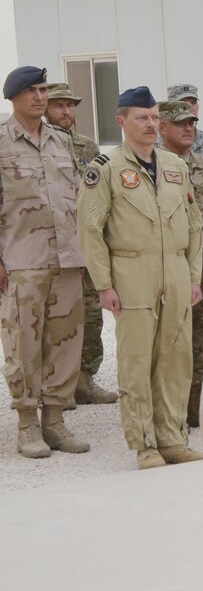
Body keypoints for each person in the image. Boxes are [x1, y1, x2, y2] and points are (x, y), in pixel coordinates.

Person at [77, 87, 202, 468]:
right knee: (136, 361)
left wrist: (193, 276)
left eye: (153, 117)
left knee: (176, 359)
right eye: (142, 118)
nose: (150, 124)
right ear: (122, 122)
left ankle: (173, 439)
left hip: (176, 271)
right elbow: (89, 229)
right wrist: (103, 284)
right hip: (131, 271)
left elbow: (194, 225)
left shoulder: (174, 166)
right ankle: (145, 445)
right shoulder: (107, 167)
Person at [1, 65, 90, 457]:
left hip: (67, 258)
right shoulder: (1, 142)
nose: (40, 97)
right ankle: (26, 424)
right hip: (23, 260)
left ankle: (54, 422)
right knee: (23, 344)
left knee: (66, 341)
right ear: (13, 98)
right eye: (32, 91)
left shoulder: (60, 141)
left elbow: (78, 197)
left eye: (42, 90)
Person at [42, 80, 118, 404]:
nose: (67, 111)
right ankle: (57, 387)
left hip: (85, 244)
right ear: (45, 108)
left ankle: (85, 379)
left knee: (91, 314)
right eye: (59, 105)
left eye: (71, 105)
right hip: (51, 247)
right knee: (57, 320)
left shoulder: (89, 147)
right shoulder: (39, 146)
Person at [157, 98, 203, 428]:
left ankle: (201, 407)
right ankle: (171, 411)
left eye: (192, 123)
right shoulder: (153, 169)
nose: (189, 128)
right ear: (162, 127)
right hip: (171, 270)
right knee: (172, 343)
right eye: (181, 123)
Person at [165, 83, 203, 163]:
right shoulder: (157, 144)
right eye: (183, 103)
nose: (190, 107)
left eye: (193, 102)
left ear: (198, 107)